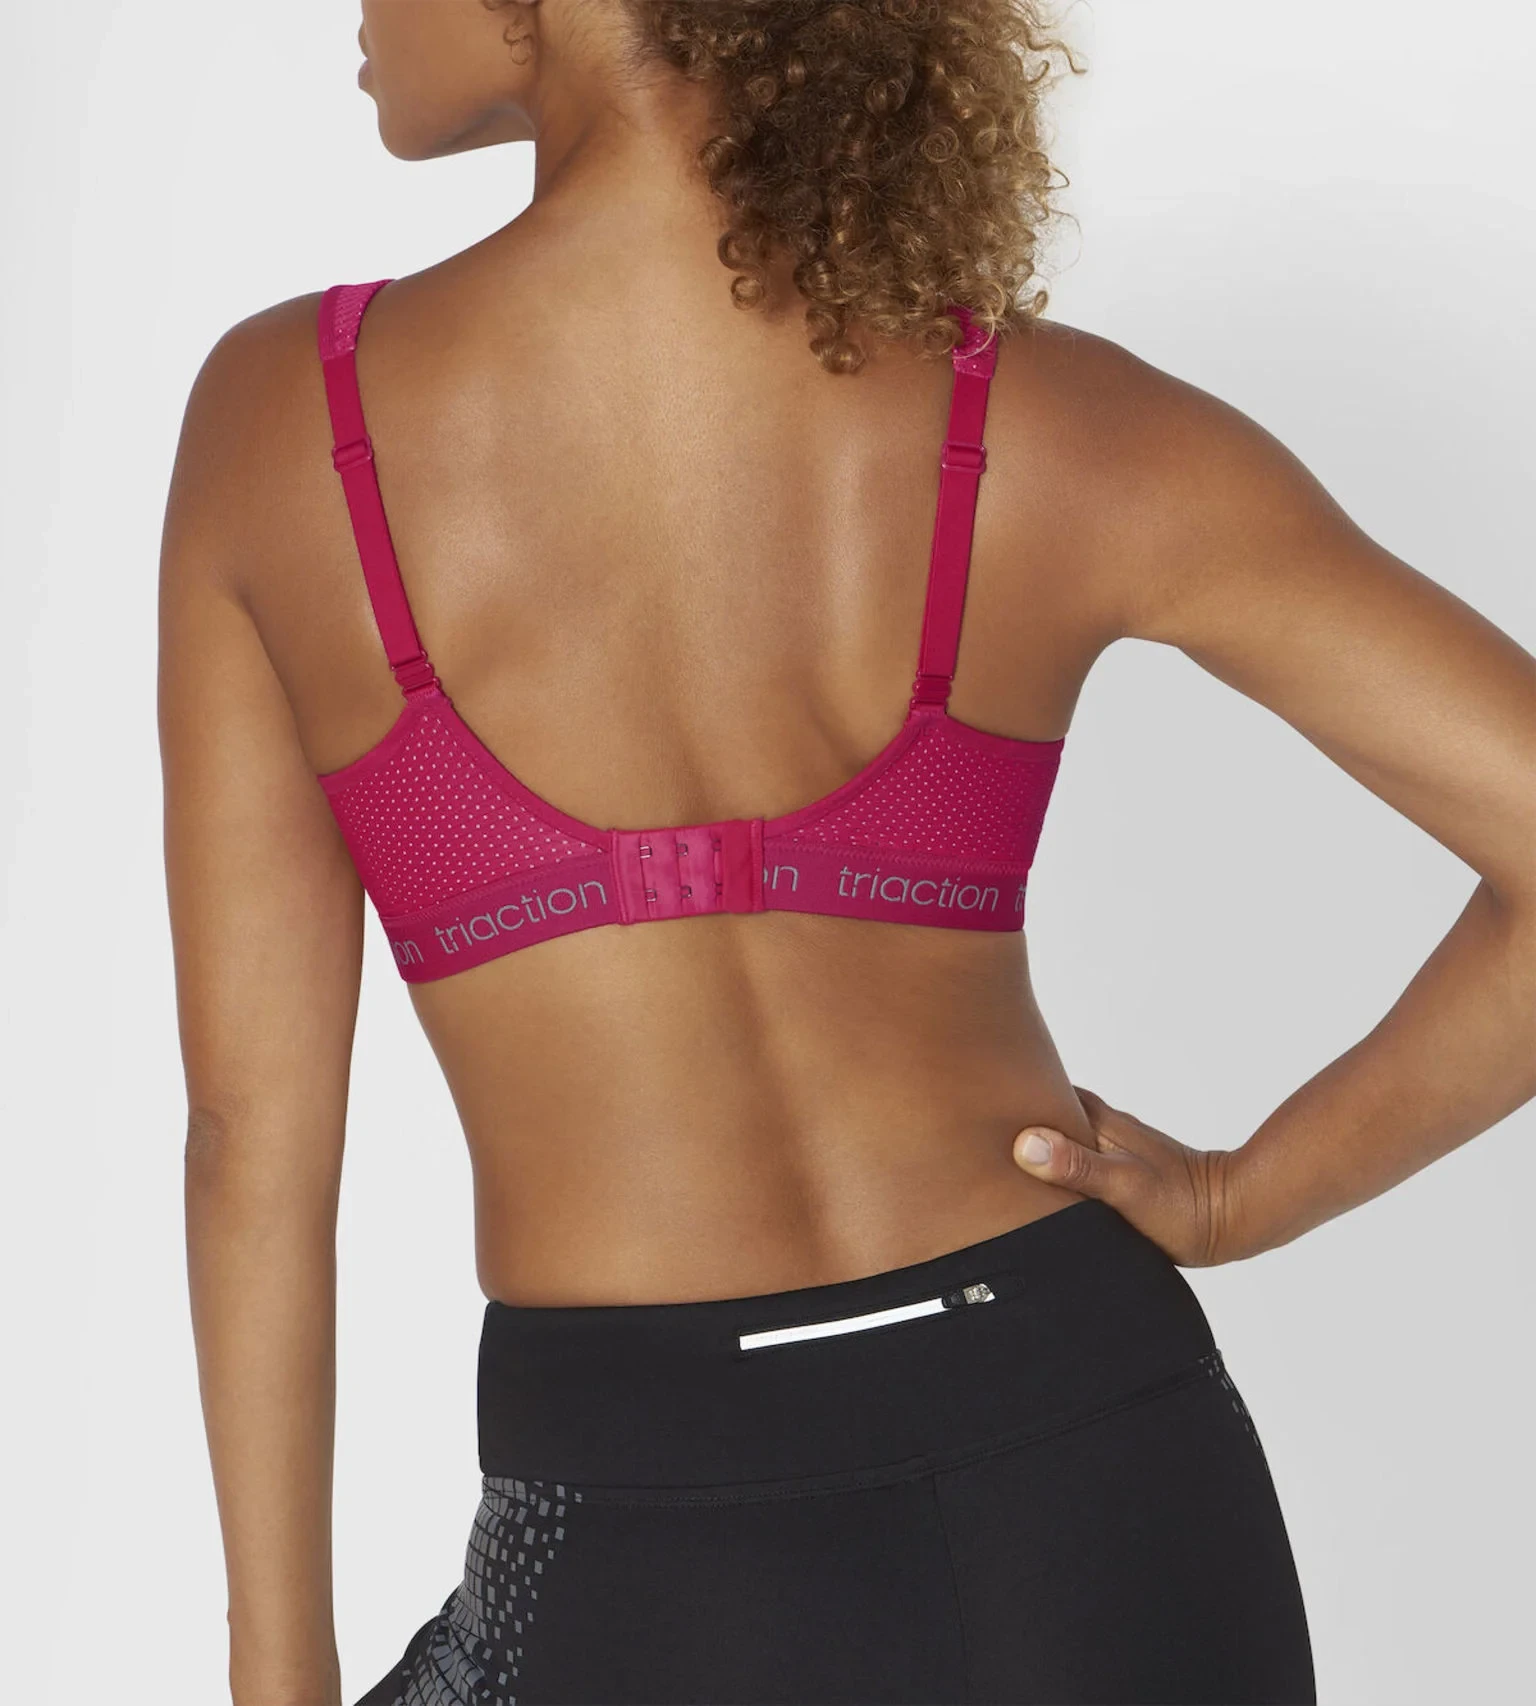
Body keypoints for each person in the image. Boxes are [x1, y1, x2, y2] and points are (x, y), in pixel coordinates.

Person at [158, 3, 1536, 1704]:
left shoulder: (284, 432)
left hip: (653, 1540)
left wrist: (278, 1676)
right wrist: (1236, 1199)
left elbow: (249, 1145)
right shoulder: (1052, 420)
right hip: (1108, 1489)